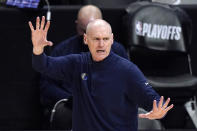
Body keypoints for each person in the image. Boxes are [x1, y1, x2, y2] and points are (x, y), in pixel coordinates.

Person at [29, 16, 173, 131]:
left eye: (105, 39)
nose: (101, 44)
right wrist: (37, 49)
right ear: (86, 39)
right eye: (96, 39)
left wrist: (160, 111)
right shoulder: (77, 63)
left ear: (112, 39)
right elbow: (43, 65)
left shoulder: (127, 70)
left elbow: (154, 100)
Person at [39, 5, 128, 128]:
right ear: (76, 26)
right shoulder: (63, 51)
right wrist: (70, 99)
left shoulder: (118, 51)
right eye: (84, 31)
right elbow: (46, 86)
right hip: (72, 107)